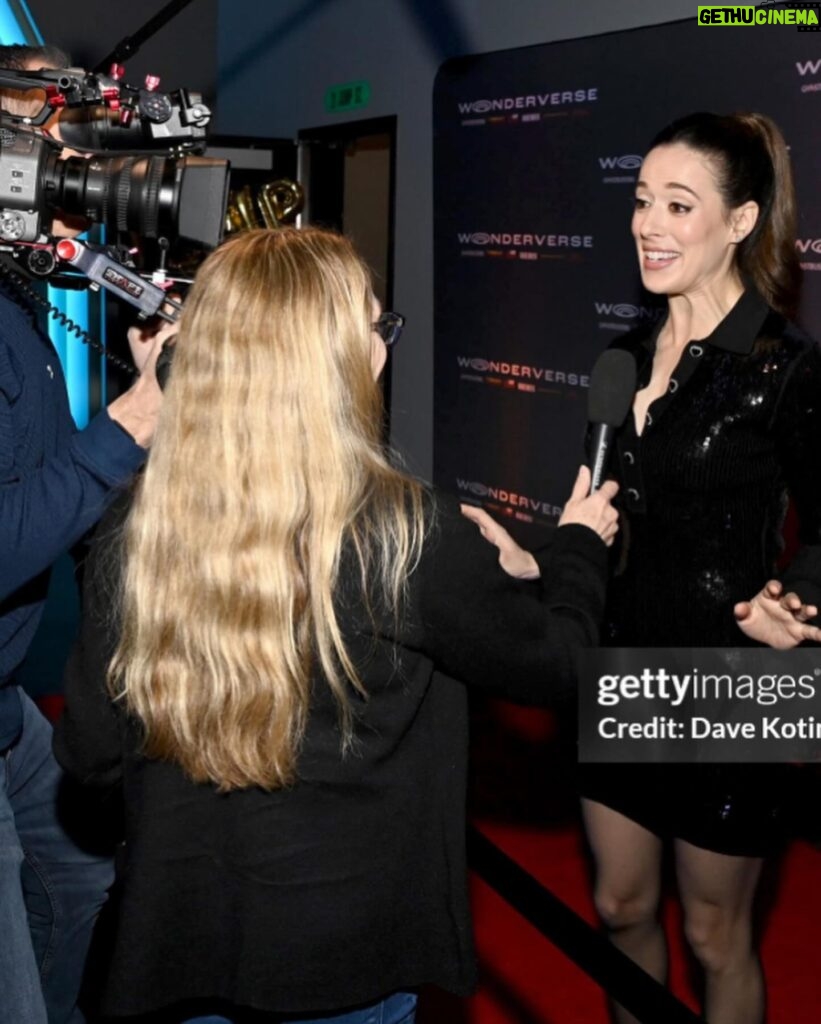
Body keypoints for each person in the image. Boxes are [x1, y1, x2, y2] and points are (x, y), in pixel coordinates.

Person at [53, 226, 619, 1024]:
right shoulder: (407, 536)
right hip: (345, 959)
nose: (383, 350)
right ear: (340, 361)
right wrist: (572, 553)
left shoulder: (135, 529)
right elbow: (562, 667)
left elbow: (90, 756)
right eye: (375, 328)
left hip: (176, 944)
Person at [577, 112, 821, 1024]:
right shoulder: (621, 355)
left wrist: (793, 606)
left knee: (718, 938)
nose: (648, 224)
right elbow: (598, 508)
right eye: (641, 201)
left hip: (736, 675)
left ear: (740, 221)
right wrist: (542, 552)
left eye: (678, 205)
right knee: (618, 908)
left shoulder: (784, 370)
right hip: (621, 654)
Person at [0, 42, 170, 1024]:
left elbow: (50, 481)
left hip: (13, 709)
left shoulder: (21, 293)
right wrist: (132, 424)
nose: (82, 182)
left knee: (89, 892)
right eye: (59, 156)